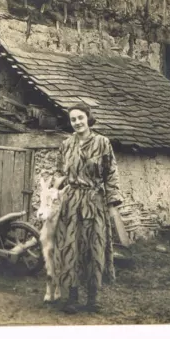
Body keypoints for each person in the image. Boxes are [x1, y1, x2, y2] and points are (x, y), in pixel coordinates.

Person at [52, 103, 123, 314]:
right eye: (73, 119)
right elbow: (58, 171)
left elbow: (111, 173)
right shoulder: (66, 145)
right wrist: (58, 183)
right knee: (70, 247)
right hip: (71, 203)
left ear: (88, 118)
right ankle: (72, 297)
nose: (77, 122)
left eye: (80, 118)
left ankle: (93, 298)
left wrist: (112, 202)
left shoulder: (102, 143)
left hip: (94, 201)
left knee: (95, 246)